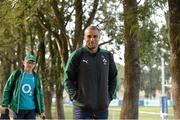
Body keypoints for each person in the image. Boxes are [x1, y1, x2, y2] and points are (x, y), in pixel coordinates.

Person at [64, 25, 118, 119]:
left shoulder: (107, 55)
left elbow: (114, 78)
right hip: (81, 110)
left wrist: (108, 97)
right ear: (84, 38)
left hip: (102, 110)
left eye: (95, 36)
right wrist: (75, 96)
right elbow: (67, 79)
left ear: (99, 38)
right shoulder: (77, 55)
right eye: (89, 36)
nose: (92, 39)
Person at [1, 54, 45, 119]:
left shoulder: (36, 78)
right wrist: (5, 105)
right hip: (18, 110)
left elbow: (40, 94)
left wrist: (41, 111)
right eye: (28, 62)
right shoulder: (16, 74)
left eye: (32, 63)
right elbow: (7, 89)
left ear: (34, 65)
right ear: (24, 62)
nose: (30, 65)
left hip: (31, 110)